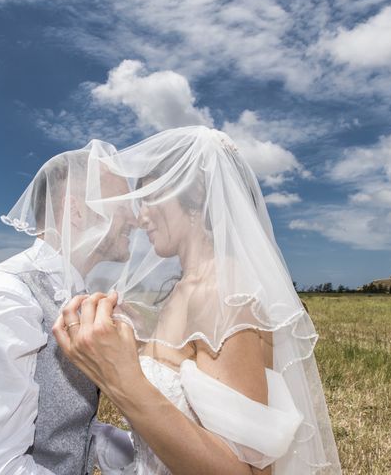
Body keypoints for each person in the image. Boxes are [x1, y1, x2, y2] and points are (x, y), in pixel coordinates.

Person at [51, 126, 342, 474]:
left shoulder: (223, 295)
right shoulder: (182, 289)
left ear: (196, 195)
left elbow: (246, 471)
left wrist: (121, 379)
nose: (141, 218)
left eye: (150, 198)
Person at [0, 142, 137, 475]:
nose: (135, 217)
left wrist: (155, 457)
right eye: (120, 203)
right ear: (78, 211)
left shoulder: (74, 295)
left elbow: (68, 427)